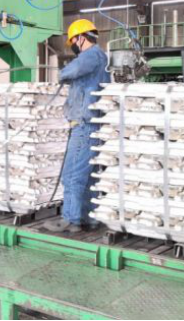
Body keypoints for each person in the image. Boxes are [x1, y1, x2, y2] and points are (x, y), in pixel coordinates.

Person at [44, 20, 110, 234]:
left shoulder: (91, 56)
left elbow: (70, 71)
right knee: (88, 176)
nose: (73, 45)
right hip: (91, 124)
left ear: (81, 38)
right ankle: (89, 218)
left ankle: (70, 219)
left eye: (73, 41)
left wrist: (62, 73)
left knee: (72, 174)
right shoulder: (99, 57)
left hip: (84, 125)